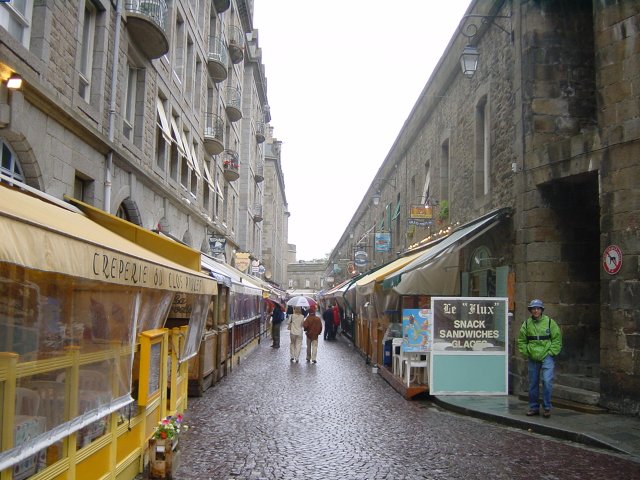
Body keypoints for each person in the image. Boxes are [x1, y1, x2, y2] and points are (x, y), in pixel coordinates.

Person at [517, 299, 562, 418]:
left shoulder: (549, 323)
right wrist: (526, 352)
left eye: (538, 308)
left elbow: (557, 339)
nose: (536, 310)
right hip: (533, 356)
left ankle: (547, 407)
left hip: (547, 355)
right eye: (533, 308)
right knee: (533, 383)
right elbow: (521, 340)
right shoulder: (526, 324)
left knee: (547, 381)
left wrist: (551, 352)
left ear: (541, 310)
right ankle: (534, 407)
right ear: (531, 310)